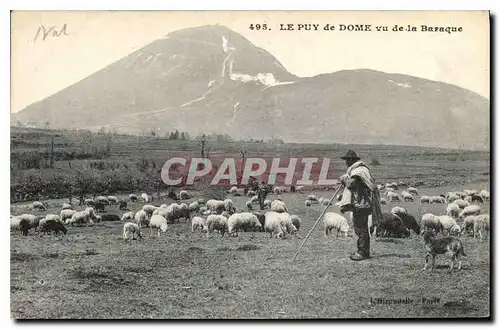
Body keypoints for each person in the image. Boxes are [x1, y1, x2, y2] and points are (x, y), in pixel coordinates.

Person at [338, 150, 383, 261]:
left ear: (354, 160)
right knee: (361, 228)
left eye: (348, 160)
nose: (347, 162)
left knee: (360, 229)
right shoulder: (361, 170)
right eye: (346, 160)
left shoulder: (358, 171)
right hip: (364, 203)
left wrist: (345, 179)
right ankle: (362, 251)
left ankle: (362, 253)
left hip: (362, 204)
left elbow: (352, 184)